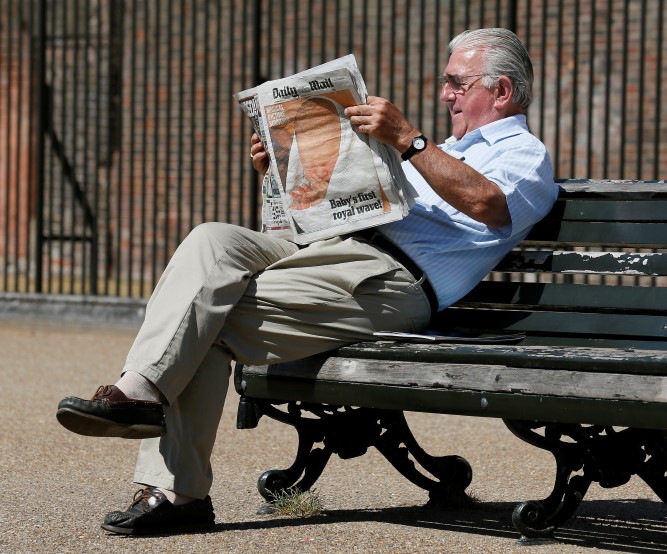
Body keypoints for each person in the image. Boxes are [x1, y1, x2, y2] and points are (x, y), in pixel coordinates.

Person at [56, 28, 558, 535]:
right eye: (445, 82)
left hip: (387, 279)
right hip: (331, 252)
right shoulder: (445, 151)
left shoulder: (523, 154)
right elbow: (337, 210)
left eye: (457, 82)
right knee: (211, 240)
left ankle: (175, 491)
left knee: (205, 321)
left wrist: (410, 140)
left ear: (501, 92)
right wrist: (279, 173)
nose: (445, 93)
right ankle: (140, 391)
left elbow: (490, 206)